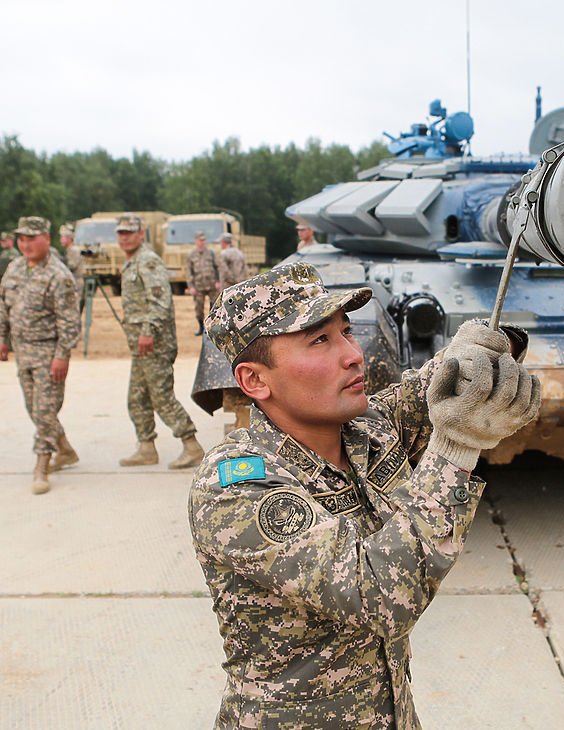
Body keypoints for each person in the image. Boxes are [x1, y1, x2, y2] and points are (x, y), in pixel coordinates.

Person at [189, 262, 540, 729]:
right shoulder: (234, 487)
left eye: (346, 331)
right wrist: (456, 447)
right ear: (255, 380)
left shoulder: (364, 429)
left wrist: (483, 346)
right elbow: (379, 593)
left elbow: (427, 388)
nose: (353, 354)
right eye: (320, 340)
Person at [0, 217, 81, 494]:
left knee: (44, 411)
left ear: (46, 238)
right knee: (35, 409)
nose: (25, 244)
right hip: (23, 353)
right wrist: (0, 337)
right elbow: (3, 306)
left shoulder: (59, 274)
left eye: (31, 238)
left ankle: (42, 464)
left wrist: (62, 355)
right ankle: (65, 449)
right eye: (21, 239)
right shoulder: (15, 267)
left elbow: (69, 320)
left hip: (48, 354)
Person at [116, 213, 205, 469]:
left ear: (141, 234)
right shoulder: (132, 262)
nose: (124, 238)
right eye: (120, 233)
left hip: (154, 344)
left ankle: (191, 445)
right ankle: (146, 448)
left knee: (161, 397)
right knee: (137, 398)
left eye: (129, 233)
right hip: (141, 347)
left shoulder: (148, 261)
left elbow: (160, 300)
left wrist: (148, 330)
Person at [185, 230, 220, 335]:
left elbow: (217, 268)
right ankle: (201, 327)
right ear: (196, 241)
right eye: (200, 240)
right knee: (199, 308)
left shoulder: (211, 253)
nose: (202, 242)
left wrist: (218, 281)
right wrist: (191, 287)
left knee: (215, 307)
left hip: (212, 285)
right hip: (198, 286)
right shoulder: (191, 255)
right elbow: (189, 272)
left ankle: (212, 329)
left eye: (204, 240)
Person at [59, 223, 85, 301]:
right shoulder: (69, 250)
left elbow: (72, 266)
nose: (60, 240)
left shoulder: (74, 250)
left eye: (62, 237)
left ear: (69, 238)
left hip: (76, 281)